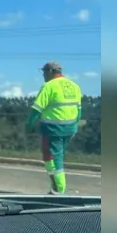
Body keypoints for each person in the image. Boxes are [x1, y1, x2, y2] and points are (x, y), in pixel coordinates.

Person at [25, 61, 83, 195]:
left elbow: (36, 109)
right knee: (56, 157)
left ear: (50, 72)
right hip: (69, 128)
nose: (43, 75)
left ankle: (59, 190)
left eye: (44, 72)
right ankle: (56, 187)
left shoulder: (48, 86)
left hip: (52, 129)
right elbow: (79, 111)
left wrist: (28, 125)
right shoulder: (74, 86)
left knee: (52, 159)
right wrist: (75, 127)